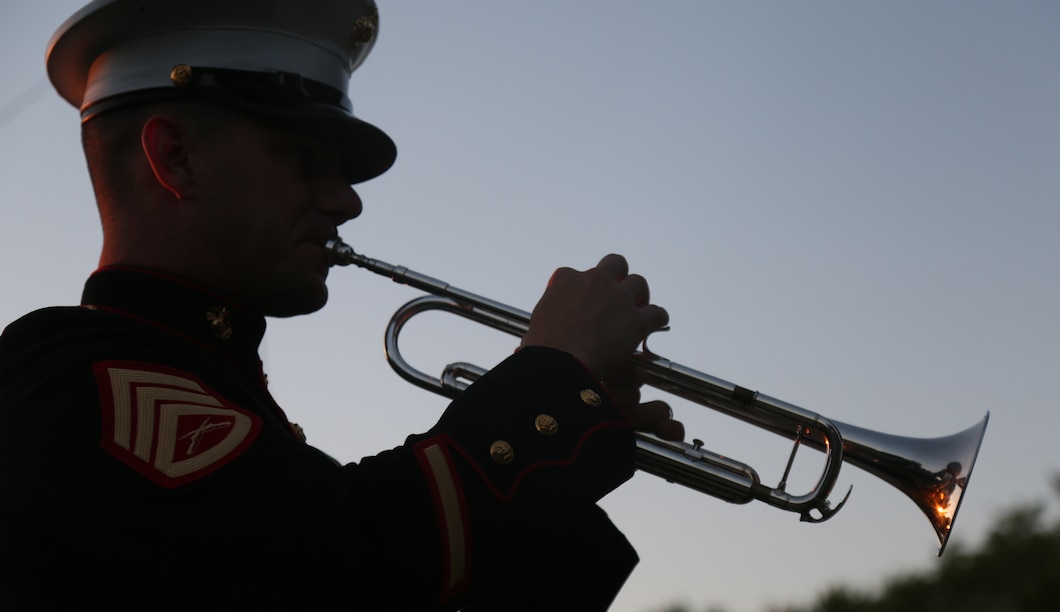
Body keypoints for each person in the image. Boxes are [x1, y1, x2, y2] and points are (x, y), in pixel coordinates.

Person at [0, 0, 683, 610]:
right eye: (303, 158)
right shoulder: (70, 384)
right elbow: (338, 569)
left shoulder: (209, 390)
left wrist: (566, 435)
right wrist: (551, 382)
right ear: (176, 158)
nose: (347, 200)